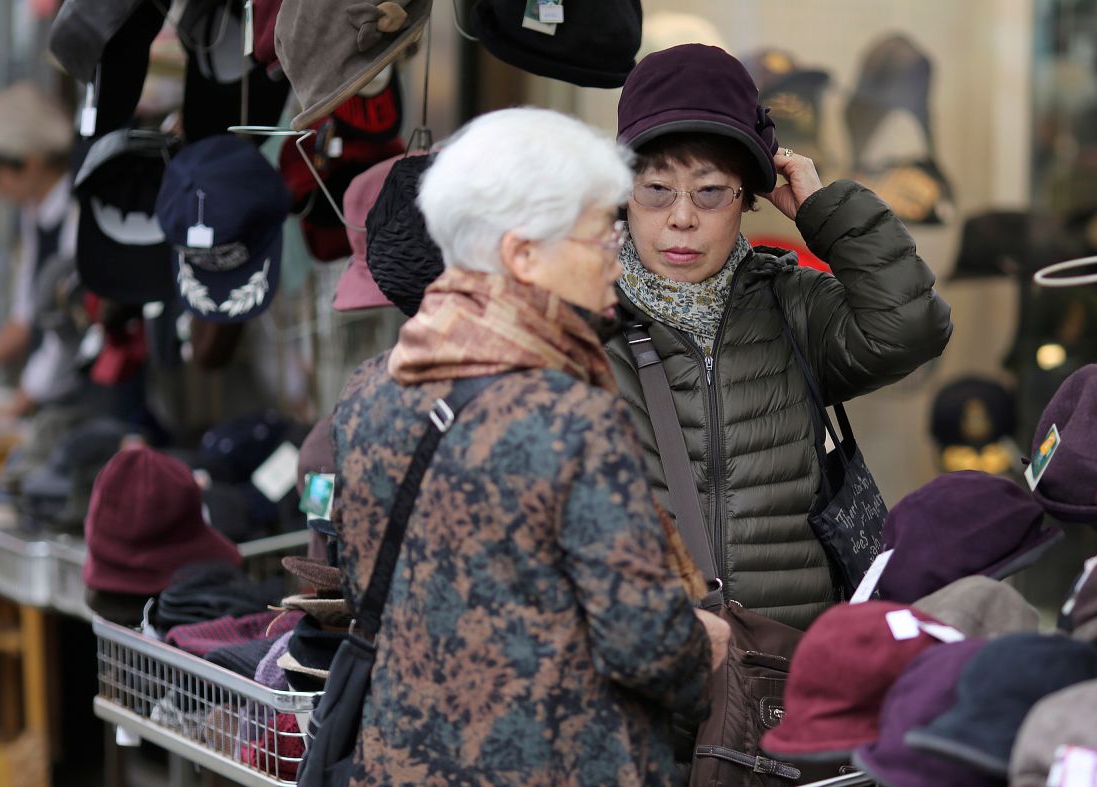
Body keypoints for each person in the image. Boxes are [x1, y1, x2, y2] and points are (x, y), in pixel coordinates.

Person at [327, 107, 728, 785]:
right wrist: (704, 644)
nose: (616, 257)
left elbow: (364, 582)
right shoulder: (569, 416)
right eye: (600, 236)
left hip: (402, 758)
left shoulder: (368, 391)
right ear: (522, 253)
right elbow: (644, 641)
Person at [605, 44, 954, 629]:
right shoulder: (585, 321)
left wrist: (821, 208)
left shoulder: (790, 303)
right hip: (642, 671)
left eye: (710, 191)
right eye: (657, 189)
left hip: (783, 672)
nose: (682, 217)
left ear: (747, 198)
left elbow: (911, 328)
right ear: (625, 198)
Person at [0, 82, 81, 417]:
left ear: (29, 162)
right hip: (52, 393)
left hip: (86, 396)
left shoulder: (78, 212)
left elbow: (68, 325)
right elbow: (26, 316)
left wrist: (22, 399)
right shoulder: (34, 215)